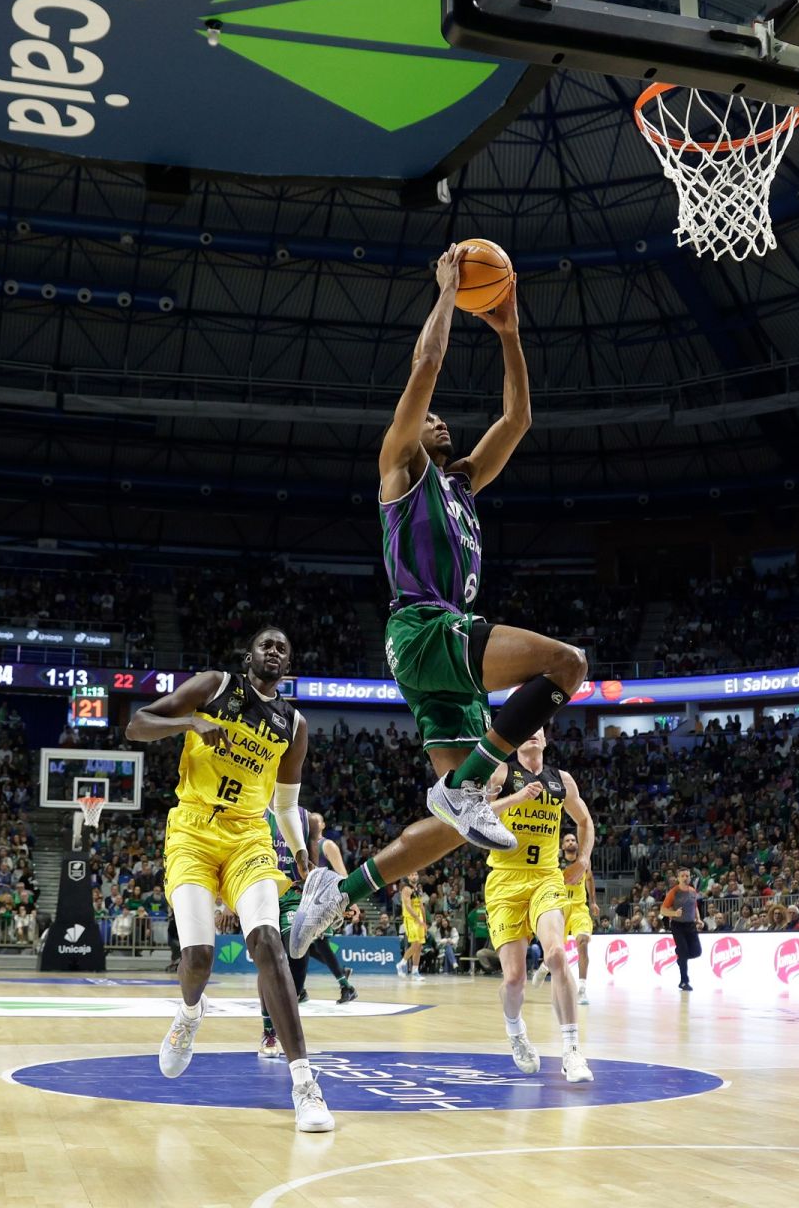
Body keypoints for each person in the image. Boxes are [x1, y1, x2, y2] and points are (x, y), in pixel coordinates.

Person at [290, 253, 591, 955]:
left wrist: (509, 332)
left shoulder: (462, 486)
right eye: (434, 422)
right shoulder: (399, 466)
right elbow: (425, 367)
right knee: (566, 664)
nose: (442, 424)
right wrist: (450, 295)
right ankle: (465, 785)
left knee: (460, 823)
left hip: (437, 655)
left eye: (444, 422)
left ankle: (340, 891)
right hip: (425, 630)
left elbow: (517, 419)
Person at [124, 626, 333, 1132]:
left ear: (288, 664)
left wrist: (302, 850)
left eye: (284, 647)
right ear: (250, 655)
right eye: (267, 645)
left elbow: (284, 804)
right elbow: (136, 724)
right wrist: (191, 722)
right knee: (198, 956)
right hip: (193, 830)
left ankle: (304, 1084)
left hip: (248, 838)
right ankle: (191, 1014)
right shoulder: (215, 686)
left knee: (267, 942)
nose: (275, 651)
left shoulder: (295, 724)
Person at [481, 728, 594, 1082]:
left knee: (557, 954)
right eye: (525, 730)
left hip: (546, 877)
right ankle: (516, 1033)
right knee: (514, 979)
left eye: (538, 731)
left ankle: (572, 1051)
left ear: (545, 741)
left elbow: (585, 820)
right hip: (504, 881)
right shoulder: (501, 771)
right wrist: (516, 798)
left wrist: (584, 859)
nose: (531, 734)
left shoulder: (562, 780)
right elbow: (476, 814)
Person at [259, 807, 357, 1058]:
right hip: (262, 890)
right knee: (270, 957)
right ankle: (269, 1030)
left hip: (300, 895)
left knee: (300, 948)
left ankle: (303, 992)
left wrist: (347, 897)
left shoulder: (309, 821)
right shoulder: (258, 809)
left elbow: (315, 864)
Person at [558, 831, 598, 1005]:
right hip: (559, 908)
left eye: (573, 839)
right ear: (562, 846)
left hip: (580, 908)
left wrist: (594, 902)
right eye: (567, 840)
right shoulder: (554, 863)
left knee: (582, 943)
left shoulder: (584, 862)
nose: (571, 842)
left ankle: (582, 989)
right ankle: (545, 967)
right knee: (555, 950)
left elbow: (589, 880)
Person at [660, 868, 703, 992]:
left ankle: (680, 956)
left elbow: (694, 907)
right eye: (682, 876)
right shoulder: (674, 892)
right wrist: (674, 913)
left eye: (687, 876)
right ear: (678, 878)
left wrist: (698, 919)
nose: (685, 878)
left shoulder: (692, 891)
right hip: (677, 925)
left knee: (697, 952)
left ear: (690, 877)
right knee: (683, 952)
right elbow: (663, 910)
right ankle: (684, 981)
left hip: (690, 925)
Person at [396, 880, 428, 981]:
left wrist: (424, 922)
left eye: (415, 874)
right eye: (412, 874)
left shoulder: (419, 889)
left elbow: (422, 907)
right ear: (408, 877)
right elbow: (408, 907)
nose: (414, 876)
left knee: (419, 946)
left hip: (420, 920)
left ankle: (415, 971)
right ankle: (401, 963)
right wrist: (417, 919)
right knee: (415, 943)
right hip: (410, 919)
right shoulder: (406, 889)